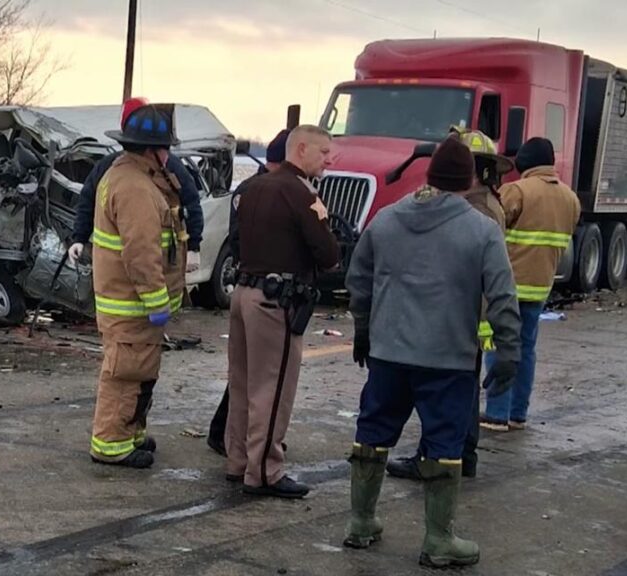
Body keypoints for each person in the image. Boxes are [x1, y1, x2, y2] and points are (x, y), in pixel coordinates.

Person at [342, 135, 521, 569]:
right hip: (447, 360)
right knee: (444, 443)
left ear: (429, 174)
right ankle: (438, 540)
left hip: (388, 354)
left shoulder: (385, 220)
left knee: (373, 434)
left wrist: (364, 331)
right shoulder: (482, 230)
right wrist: (509, 352)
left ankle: (361, 522)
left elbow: (357, 280)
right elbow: (502, 296)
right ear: (468, 179)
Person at [384, 129, 512, 481]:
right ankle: (459, 454)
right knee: (461, 390)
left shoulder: (476, 209)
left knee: (449, 395)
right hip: (469, 314)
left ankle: (440, 456)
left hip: (462, 315)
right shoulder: (484, 203)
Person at [225, 125, 340, 498]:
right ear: (301, 149)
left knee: (242, 384)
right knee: (272, 389)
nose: (329, 160)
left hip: (243, 292)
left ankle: (239, 461)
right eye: (323, 153)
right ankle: (265, 472)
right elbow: (328, 253)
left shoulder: (251, 188)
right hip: (277, 302)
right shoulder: (301, 193)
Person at [88, 103, 187, 469]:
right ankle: (111, 443)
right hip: (132, 303)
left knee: (139, 370)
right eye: (166, 148)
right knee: (126, 373)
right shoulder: (136, 188)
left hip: (127, 301)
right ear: (152, 150)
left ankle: (130, 432)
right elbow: (142, 252)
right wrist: (157, 300)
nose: (168, 155)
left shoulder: (127, 175)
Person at [480, 137, 580, 432]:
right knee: (526, 349)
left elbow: (493, 225)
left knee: (498, 345)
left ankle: (496, 413)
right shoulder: (570, 198)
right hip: (541, 285)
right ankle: (517, 414)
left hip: (507, 284)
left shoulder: (517, 191)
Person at [207, 128, 290, 457]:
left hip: (248, 285)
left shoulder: (248, 189)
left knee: (246, 374)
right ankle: (239, 439)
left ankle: (231, 436)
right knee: (257, 375)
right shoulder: (269, 192)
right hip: (264, 291)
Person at [68, 97, 203, 274]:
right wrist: (79, 237)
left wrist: (193, 245)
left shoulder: (171, 168)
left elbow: (192, 204)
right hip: (126, 270)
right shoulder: (110, 167)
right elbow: (88, 199)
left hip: (154, 265)